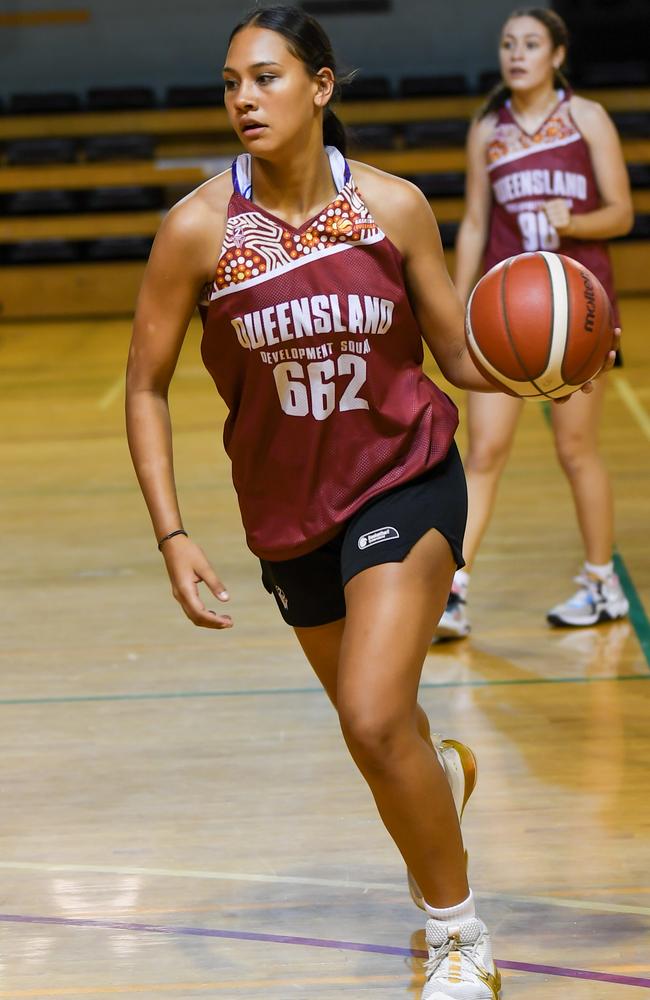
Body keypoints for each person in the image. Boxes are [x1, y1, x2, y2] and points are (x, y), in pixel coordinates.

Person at [126, 6, 611, 996]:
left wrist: (551, 366)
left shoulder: (389, 209)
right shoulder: (197, 231)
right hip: (284, 515)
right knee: (387, 737)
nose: (243, 99)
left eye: (265, 78)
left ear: (321, 86)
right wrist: (172, 533)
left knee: (368, 713)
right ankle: (442, 772)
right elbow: (144, 384)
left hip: (403, 475)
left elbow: (457, 354)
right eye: (230, 83)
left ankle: (459, 935)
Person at [436, 7, 633, 640]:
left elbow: (623, 213)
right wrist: (457, 304)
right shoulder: (487, 128)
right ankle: (453, 593)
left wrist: (573, 222)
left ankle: (603, 586)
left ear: (557, 55)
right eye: (507, 44)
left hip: (580, 316)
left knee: (576, 450)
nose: (516, 54)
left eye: (530, 44)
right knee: (484, 451)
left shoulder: (587, 118)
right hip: (504, 319)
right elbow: (472, 222)